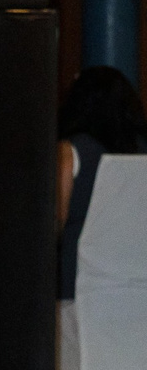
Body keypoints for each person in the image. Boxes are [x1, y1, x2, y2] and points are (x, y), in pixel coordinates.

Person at [57, 65, 147, 299]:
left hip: (77, 287)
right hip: (134, 288)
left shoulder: (71, 152)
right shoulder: (141, 155)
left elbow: (55, 222)